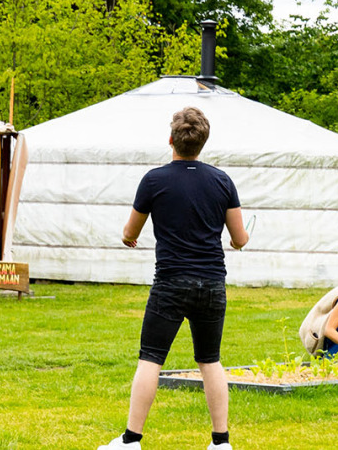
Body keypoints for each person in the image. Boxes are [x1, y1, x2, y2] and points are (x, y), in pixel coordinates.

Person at [100, 107, 249, 450]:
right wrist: (236, 241)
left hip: (170, 282)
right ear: (203, 142)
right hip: (211, 282)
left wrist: (128, 238)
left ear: (171, 140)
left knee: (151, 357)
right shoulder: (222, 181)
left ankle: (130, 441)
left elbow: (130, 231)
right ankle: (221, 442)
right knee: (210, 360)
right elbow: (239, 239)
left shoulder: (154, 180)